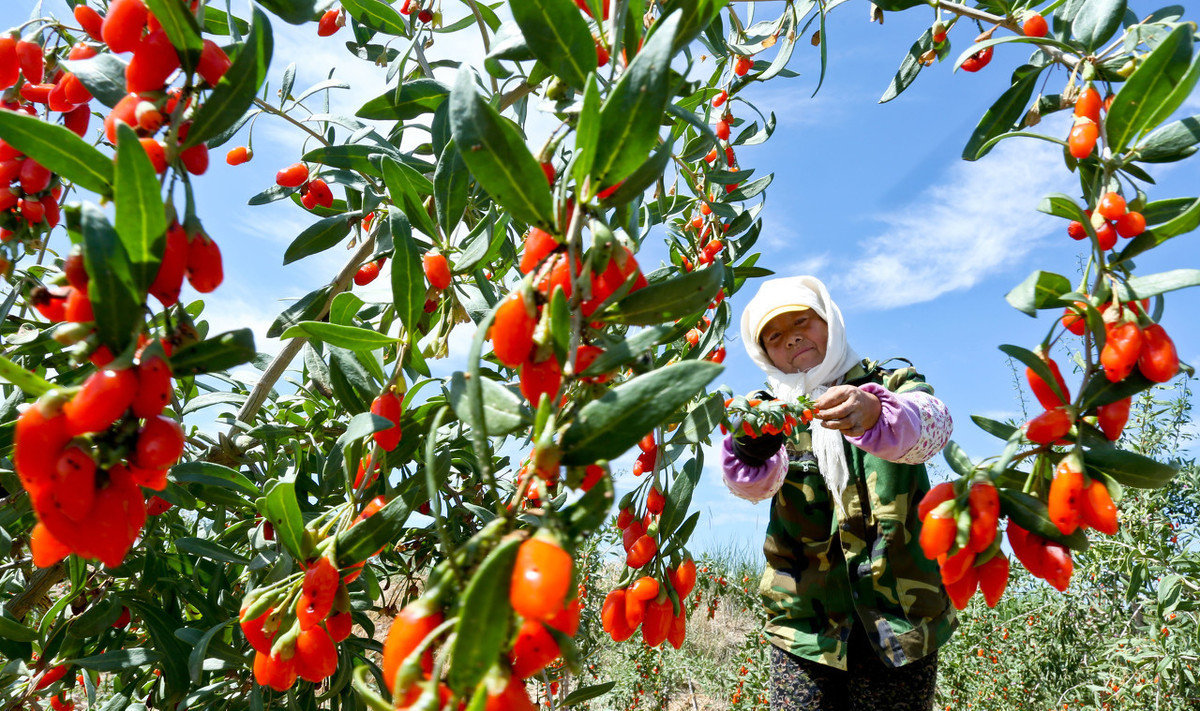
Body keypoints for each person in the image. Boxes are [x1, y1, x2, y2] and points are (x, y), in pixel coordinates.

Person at [720, 275, 956, 711]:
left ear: (830, 322)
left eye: (803, 323)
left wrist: (876, 414)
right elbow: (748, 486)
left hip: (900, 621)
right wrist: (747, 447)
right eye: (774, 335)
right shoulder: (766, 413)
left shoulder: (891, 383)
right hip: (804, 628)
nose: (791, 338)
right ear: (763, 352)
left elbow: (934, 426)